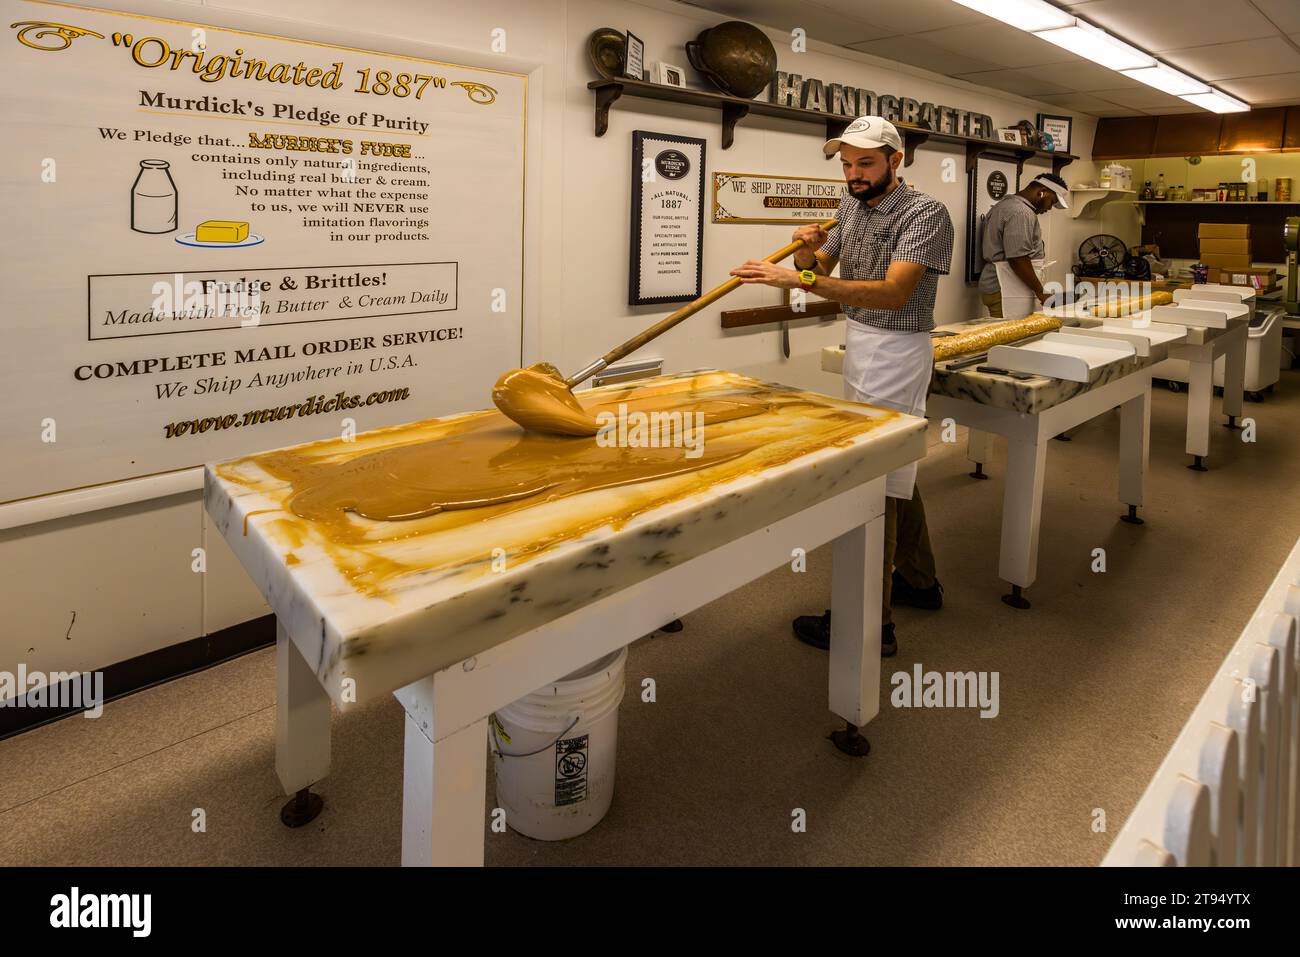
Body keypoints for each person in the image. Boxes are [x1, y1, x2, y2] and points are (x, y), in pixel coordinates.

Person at [729, 115, 953, 658]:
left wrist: (798, 278)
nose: (853, 174)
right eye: (847, 164)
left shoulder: (926, 212)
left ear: (896, 161)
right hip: (861, 341)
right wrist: (805, 253)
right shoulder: (851, 206)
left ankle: (870, 624)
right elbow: (824, 266)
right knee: (894, 466)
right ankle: (920, 582)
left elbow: (894, 293)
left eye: (865, 163)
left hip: (898, 349)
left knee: (875, 478)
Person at [978, 172, 1070, 318]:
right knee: (1009, 337)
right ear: (1042, 193)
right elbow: (1018, 258)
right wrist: (1040, 292)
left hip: (1006, 286)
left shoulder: (1005, 205)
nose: (1050, 208)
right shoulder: (1021, 212)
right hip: (1006, 288)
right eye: (1052, 202)